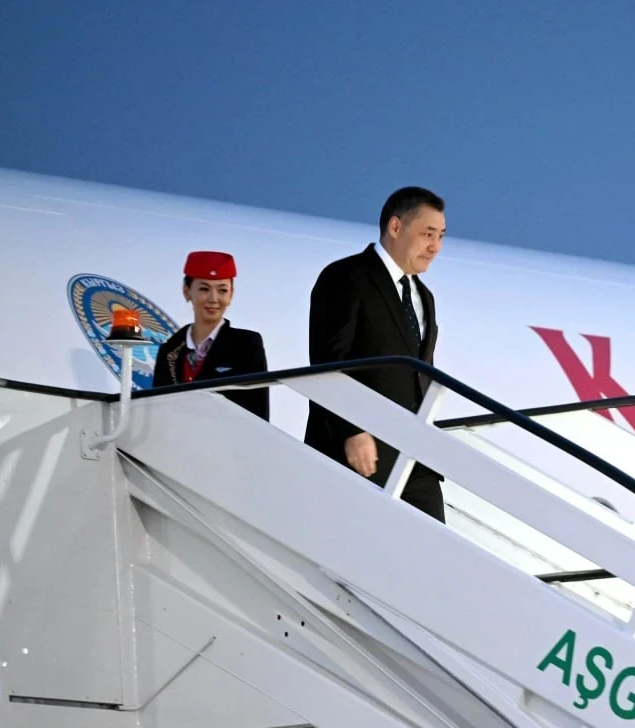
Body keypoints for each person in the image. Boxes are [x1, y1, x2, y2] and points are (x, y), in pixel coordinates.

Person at [304, 187, 446, 521]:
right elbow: (328, 363)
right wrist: (350, 431)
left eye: (440, 236)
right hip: (360, 453)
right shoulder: (345, 277)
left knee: (432, 548)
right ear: (395, 227)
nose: (435, 247)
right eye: (427, 234)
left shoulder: (424, 296)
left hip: (416, 458)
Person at [151, 250, 270, 421]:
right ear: (186, 291)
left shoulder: (246, 345)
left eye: (222, 290)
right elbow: (158, 413)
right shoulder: (169, 350)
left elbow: (258, 412)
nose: (213, 299)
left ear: (231, 294)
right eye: (204, 289)